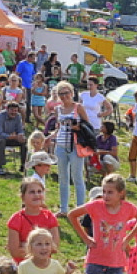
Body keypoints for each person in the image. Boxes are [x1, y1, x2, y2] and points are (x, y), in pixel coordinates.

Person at [68, 174, 137, 274]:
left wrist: (128, 239)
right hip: (96, 258)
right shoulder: (96, 206)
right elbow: (72, 215)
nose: (105, 196)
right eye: (104, 191)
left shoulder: (128, 208)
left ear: (121, 193)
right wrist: (85, 238)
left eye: (110, 192)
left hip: (116, 260)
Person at [48, 84, 90, 213]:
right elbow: (58, 127)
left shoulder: (78, 107)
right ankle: (64, 208)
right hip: (60, 145)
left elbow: (88, 126)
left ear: (72, 93)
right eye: (61, 94)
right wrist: (50, 136)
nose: (64, 96)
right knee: (63, 178)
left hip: (75, 146)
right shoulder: (58, 109)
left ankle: (80, 209)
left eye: (66, 93)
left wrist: (78, 127)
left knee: (77, 177)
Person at [7, 178, 60, 263]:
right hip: (23, 268)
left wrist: (25, 246)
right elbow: (15, 252)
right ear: (23, 197)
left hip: (44, 267)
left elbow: (54, 247)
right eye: (32, 192)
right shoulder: (16, 219)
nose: (37, 195)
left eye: (39, 191)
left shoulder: (49, 217)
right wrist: (44, 247)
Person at [0, 101, 27, 175]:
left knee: (24, 142)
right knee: (1, 141)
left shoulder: (18, 116)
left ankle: (24, 165)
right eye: (12, 110)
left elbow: (19, 130)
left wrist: (21, 136)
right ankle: (0, 167)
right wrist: (12, 136)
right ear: (7, 109)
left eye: (15, 110)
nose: (14, 112)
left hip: (10, 137)